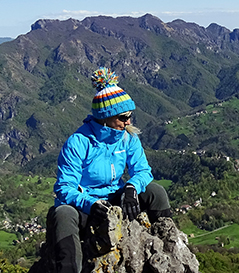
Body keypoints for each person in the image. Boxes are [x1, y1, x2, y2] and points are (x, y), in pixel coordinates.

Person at [46, 67, 172, 273]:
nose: (128, 121)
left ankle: (167, 248)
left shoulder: (128, 137)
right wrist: (90, 204)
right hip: (86, 205)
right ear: (105, 117)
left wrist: (132, 187)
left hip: (115, 197)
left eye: (130, 115)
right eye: (123, 117)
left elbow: (143, 170)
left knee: (155, 192)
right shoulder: (79, 142)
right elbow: (64, 188)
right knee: (63, 213)